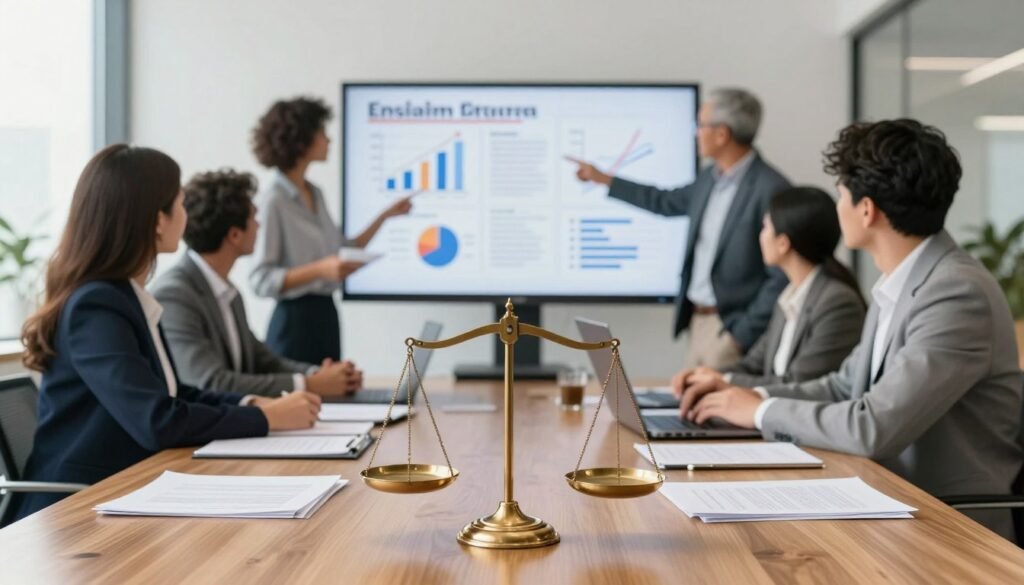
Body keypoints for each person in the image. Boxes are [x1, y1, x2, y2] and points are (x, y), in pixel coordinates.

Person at [679, 119, 1024, 539]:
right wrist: (749, 395)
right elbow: (844, 387)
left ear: (866, 210)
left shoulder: (956, 294)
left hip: (949, 529)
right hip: (885, 506)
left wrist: (758, 411)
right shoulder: (902, 283)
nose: (836, 206)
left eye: (841, 194)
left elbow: (873, 427)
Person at [12, 145, 321, 521]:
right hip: (75, 509)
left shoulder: (124, 295)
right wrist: (267, 419)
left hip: (125, 487)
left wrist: (253, 405)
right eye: (181, 204)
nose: (186, 217)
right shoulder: (96, 307)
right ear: (158, 220)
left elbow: (174, 393)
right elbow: (157, 420)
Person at [571, 88, 790, 369]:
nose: (696, 133)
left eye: (700, 125)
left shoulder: (770, 189)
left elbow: (782, 273)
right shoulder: (708, 179)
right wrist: (605, 179)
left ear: (722, 134)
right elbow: (665, 201)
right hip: (697, 323)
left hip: (731, 329)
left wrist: (740, 335)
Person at [152, 169, 364, 397]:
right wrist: (308, 385)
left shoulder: (227, 292)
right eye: (254, 218)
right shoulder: (175, 294)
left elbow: (262, 360)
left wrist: (321, 375)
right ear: (235, 235)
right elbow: (210, 382)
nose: (259, 226)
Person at [249, 96, 412, 364]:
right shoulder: (274, 201)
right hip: (295, 324)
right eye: (322, 133)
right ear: (302, 140)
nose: (329, 141)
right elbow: (261, 279)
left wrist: (386, 216)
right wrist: (320, 270)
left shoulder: (315, 193)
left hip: (325, 317)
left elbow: (343, 250)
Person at [671, 186, 866, 396]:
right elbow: (752, 365)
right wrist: (705, 375)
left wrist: (723, 381)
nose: (760, 236)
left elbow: (797, 384)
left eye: (765, 227)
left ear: (783, 243)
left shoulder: (836, 302)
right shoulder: (790, 297)